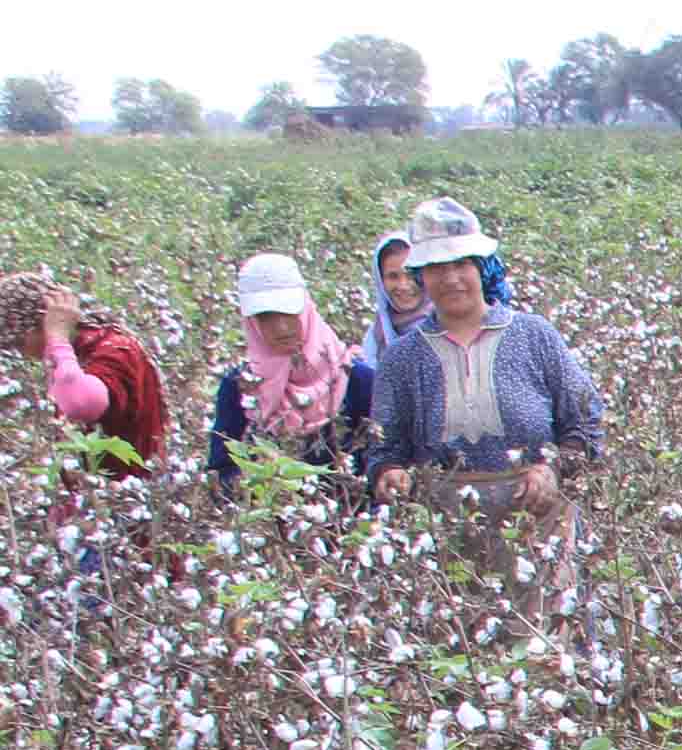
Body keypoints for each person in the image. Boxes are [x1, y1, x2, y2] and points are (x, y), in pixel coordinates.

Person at [368, 197, 602, 525]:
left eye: (461, 264)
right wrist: (389, 474)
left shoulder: (534, 335)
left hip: (538, 519)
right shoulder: (402, 358)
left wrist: (554, 469)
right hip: (446, 528)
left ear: (482, 267)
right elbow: (384, 447)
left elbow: (584, 421)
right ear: (421, 276)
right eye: (436, 268)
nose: (450, 279)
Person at [207, 253, 375, 495]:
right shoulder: (240, 388)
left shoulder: (356, 380)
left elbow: (386, 459)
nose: (281, 327)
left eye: (288, 312)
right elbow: (220, 474)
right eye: (266, 317)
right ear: (252, 323)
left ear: (306, 309)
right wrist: (251, 482)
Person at [3, 271, 169, 477]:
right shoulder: (77, 353)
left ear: (44, 322)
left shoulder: (114, 350)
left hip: (123, 498)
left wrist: (57, 339)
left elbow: (82, 404)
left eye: (19, 343)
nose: (24, 354)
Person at [358, 230, 428, 371]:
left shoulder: (446, 325)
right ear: (381, 281)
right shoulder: (377, 336)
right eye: (393, 276)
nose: (403, 285)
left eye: (411, 274)